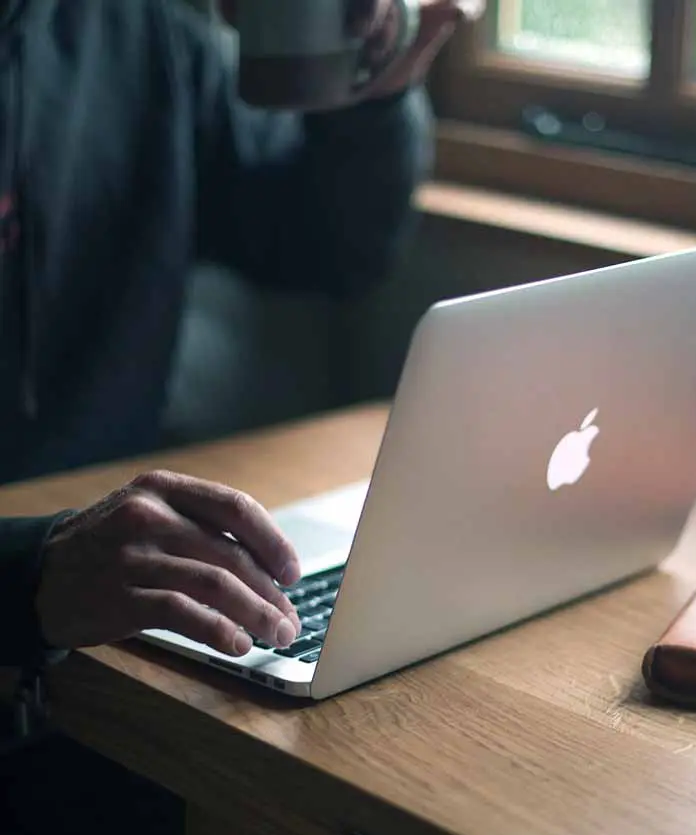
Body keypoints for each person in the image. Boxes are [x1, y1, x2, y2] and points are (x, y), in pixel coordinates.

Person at [0, 0, 480, 678]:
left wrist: (371, 93)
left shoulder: (141, 30)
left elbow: (325, 248)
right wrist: (28, 569)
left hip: (101, 625)